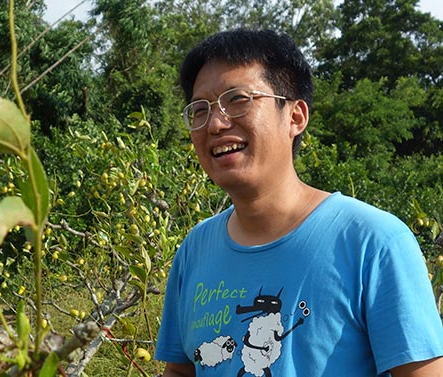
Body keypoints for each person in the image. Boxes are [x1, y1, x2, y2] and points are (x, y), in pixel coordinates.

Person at [154, 28, 443, 377]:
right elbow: (181, 371)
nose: (215, 123)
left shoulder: (373, 242)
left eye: (238, 99)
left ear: (295, 117)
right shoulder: (194, 250)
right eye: (200, 109)